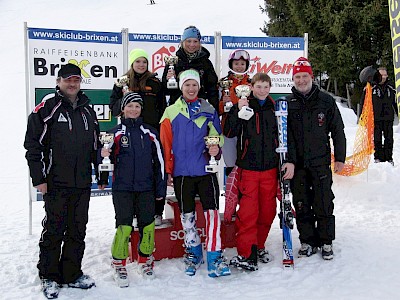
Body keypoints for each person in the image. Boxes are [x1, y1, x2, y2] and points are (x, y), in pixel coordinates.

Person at [24, 63, 107, 299]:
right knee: (54, 229)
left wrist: (101, 174)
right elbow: (33, 146)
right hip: (56, 181)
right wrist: (38, 178)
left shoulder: (88, 110)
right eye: (67, 80)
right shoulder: (47, 107)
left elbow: (96, 147)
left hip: (81, 181)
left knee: (77, 229)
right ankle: (48, 275)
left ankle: (71, 273)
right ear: (59, 81)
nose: (72, 84)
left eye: (76, 80)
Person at [160, 69, 231, 278]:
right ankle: (193, 252)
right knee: (187, 215)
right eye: (187, 85)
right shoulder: (170, 112)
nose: (191, 88)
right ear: (181, 87)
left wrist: (216, 149)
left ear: (199, 87)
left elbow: (216, 136)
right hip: (182, 173)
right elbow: (165, 144)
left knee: (212, 214)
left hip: (205, 170)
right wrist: (169, 171)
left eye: (194, 85)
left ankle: (214, 256)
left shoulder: (209, 109)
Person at [282, 57, 346, 260]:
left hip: (320, 162)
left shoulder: (326, 101)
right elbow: (285, 136)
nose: (301, 80)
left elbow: (338, 131)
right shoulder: (287, 103)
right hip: (297, 164)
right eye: (297, 77)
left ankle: (326, 241)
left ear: (311, 76)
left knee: (324, 201)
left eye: (304, 76)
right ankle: (307, 241)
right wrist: (289, 161)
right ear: (293, 78)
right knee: (301, 203)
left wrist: (340, 158)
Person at [102, 92, 166, 286]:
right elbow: (104, 160)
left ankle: (146, 260)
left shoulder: (150, 133)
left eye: (137, 106)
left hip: (146, 187)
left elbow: (160, 164)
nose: (133, 110)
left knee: (147, 224)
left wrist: (160, 190)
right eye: (130, 106)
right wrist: (102, 154)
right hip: (123, 188)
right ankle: (119, 262)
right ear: (123, 109)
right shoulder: (114, 133)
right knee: (124, 225)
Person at [223, 73, 279, 271]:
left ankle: (260, 245)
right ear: (251, 87)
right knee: (248, 213)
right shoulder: (245, 105)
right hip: (248, 169)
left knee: (267, 211)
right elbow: (229, 132)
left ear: (270, 88)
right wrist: (237, 110)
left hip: (270, 169)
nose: (262, 90)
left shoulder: (275, 107)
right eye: (258, 86)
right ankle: (247, 253)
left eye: (266, 86)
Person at [109, 48, 167, 225]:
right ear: (132, 64)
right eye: (138, 62)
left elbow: (162, 106)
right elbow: (113, 108)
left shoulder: (155, 82)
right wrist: (123, 98)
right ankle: (132, 214)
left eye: (144, 62)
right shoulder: (122, 83)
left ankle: (157, 211)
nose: (141, 65)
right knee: (131, 171)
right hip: (129, 132)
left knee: (154, 170)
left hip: (150, 133)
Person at [219, 49, 252, 223]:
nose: (239, 66)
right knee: (231, 167)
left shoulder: (252, 82)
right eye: (236, 63)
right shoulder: (223, 83)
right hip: (229, 131)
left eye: (242, 63)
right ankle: (230, 204)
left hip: (247, 131)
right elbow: (217, 106)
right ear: (231, 65)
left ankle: (245, 205)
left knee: (246, 168)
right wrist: (222, 104)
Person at [162, 25, 219, 112]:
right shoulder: (174, 62)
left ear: (199, 43)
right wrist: (168, 80)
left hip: (199, 109)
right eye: (189, 41)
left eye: (195, 41)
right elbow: (165, 90)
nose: (192, 45)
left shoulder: (205, 63)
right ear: (182, 42)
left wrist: (214, 112)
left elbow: (212, 90)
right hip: (178, 109)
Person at [360, 67, 396, 165]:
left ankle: (389, 158)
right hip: (375, 118)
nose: (383, 77)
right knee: (377, 139)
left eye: (385, 75)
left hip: (388, 117)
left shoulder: (391, 87)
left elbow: (395, 102)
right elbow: (363, 103)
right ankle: (378, 157)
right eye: (381, 75)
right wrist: (362, 118)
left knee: (389, 138)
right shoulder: (370, 87)